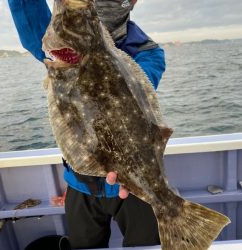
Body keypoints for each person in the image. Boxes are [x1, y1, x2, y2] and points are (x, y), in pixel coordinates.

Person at [8, 0, 166, 249]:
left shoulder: (147, 52)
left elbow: (135, 96)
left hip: (135, 187)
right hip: (80, 185)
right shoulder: (61, 43)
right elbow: (30, 20)